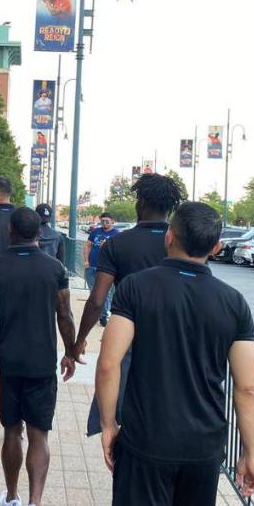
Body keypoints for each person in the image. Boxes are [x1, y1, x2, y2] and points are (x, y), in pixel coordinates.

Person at [96, 202, 254, 504]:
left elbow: (109, 363)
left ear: (169, 237)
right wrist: (250, 453)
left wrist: (108, 425)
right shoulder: (234, 303)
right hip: (203, 446)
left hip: (145, 439)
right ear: (216, 247)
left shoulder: (135, 288)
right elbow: (248, 388)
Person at [75, 173, 184, 436]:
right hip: (175, 338)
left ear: (141, 202)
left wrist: (79, 341)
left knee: (122, 413)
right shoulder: (181, 243)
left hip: (127, 338)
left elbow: (97, 300)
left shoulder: (117, 244)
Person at [0, 208, 78, 506]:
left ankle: (11, 496)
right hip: (41, 364)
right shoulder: (54, 269)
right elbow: (65, 315)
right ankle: (35, 502)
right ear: (39, 232)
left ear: (10, 231)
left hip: (5, 363)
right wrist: (70, 352)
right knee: (39, 435)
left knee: (11, 431)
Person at [83, 212, 120, 326]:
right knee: (93, 292)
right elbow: (88, 245)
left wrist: (107, 246)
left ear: (113, 221)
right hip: (91, 266)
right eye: (102, 221)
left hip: (106, 268)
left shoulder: (117, 234)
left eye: (107, 221)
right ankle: (95, 315)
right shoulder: (95, 231)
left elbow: (118, 252)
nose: (104, 223)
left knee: (106, 292)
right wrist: (86, 261)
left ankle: (103, 316)